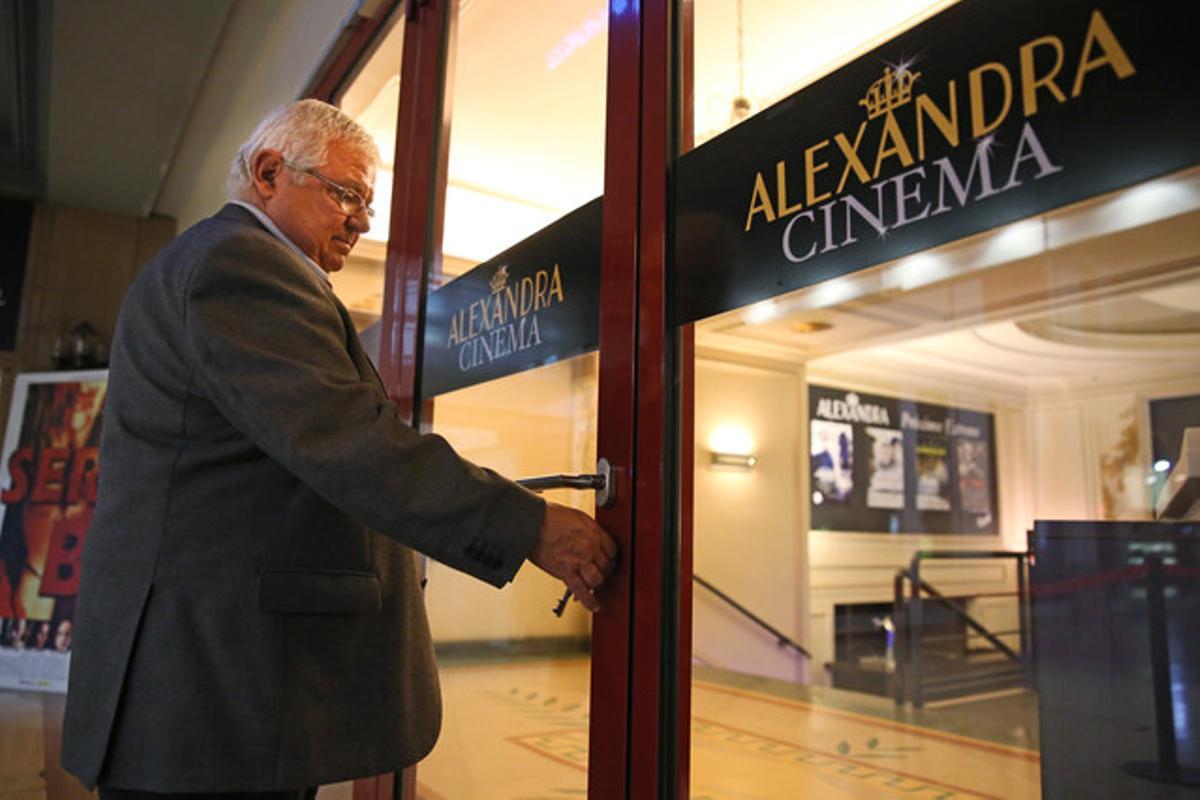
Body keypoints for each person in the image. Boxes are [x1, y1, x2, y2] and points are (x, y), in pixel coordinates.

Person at [60, 99, 616, 798]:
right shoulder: (240, 264)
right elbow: (345, 439)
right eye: (346, 193)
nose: (360, 219)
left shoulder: (224, 265)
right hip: (209, 693)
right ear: (269, 172)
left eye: (367, 205)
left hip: (213, 689)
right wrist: (527, 524)